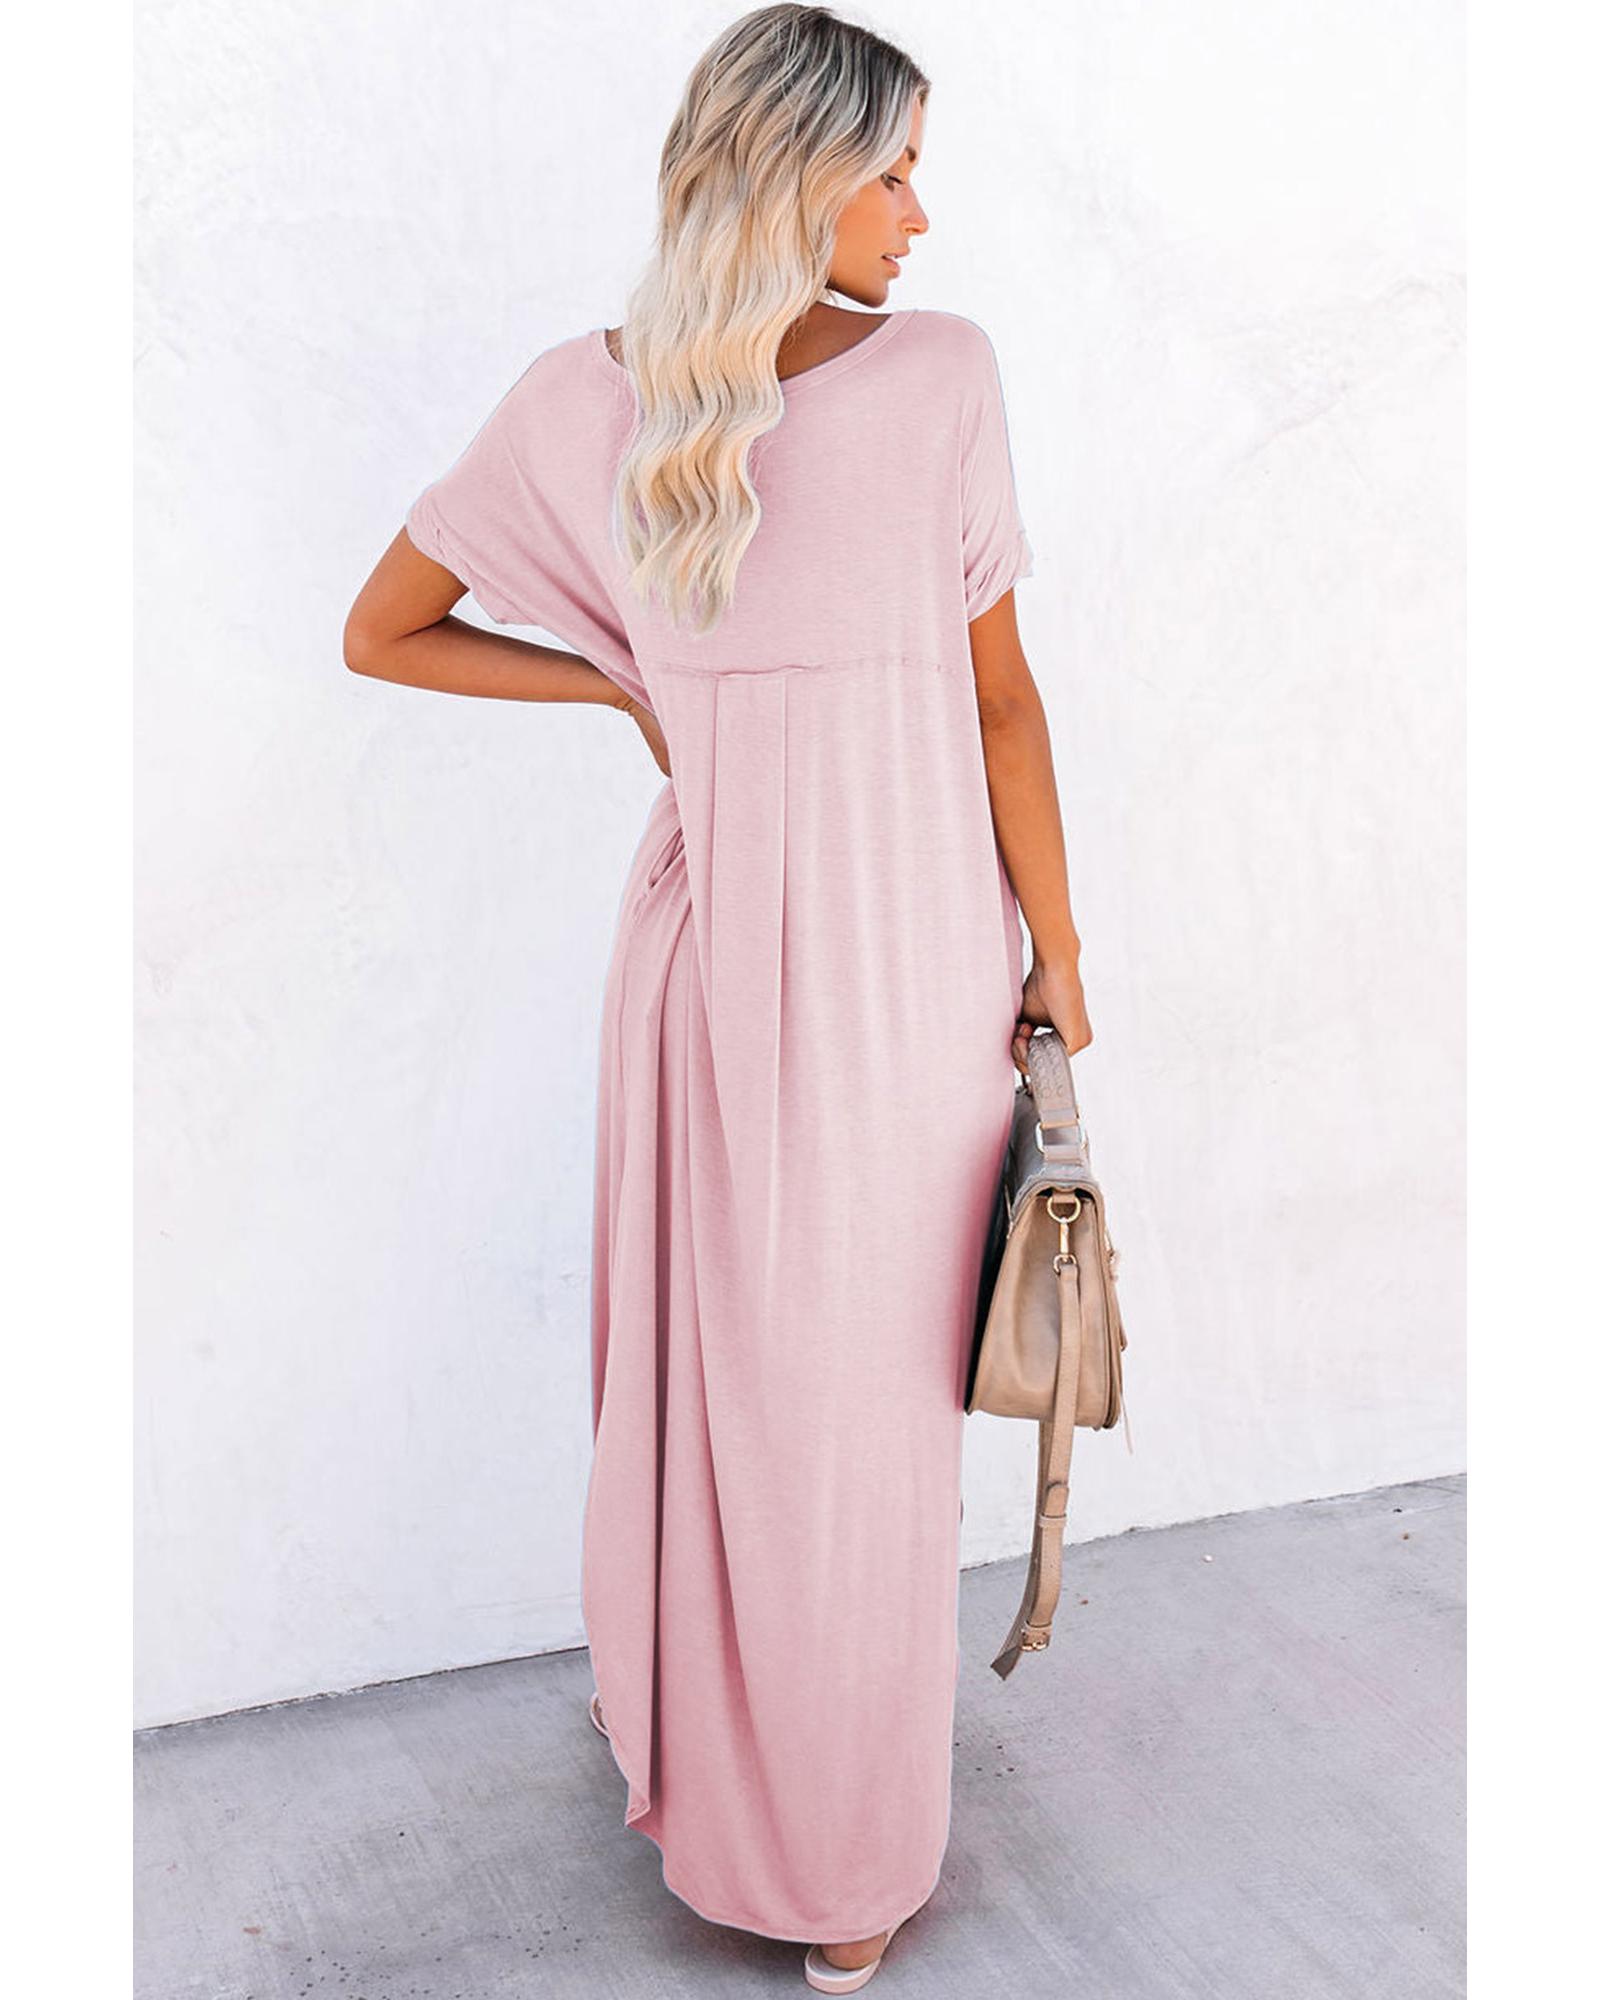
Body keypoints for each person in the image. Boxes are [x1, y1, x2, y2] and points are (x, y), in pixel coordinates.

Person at [343, 5, 1090, 1988]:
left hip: (906, 972)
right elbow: (385, 630)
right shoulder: (585, 404)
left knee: (854, 1424)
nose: (918, 215)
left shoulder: (938, 376)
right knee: (734, 1391)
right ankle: (759, 1794)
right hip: (751, 961)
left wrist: (1057, 956)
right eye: (891, 172)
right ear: (788, 177)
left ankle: (833, 1829)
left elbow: (1002, 699)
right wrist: (614, 684)